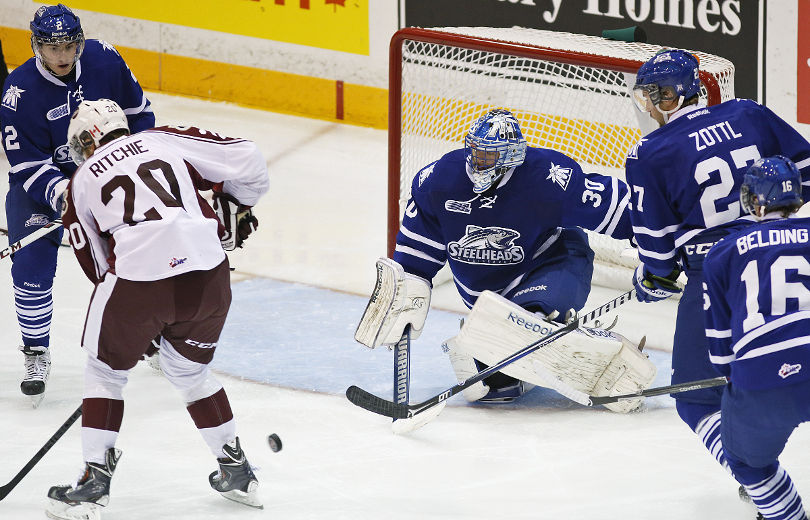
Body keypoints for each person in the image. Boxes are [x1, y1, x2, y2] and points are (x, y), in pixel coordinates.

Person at [45, 99, 268, 520]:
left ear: (89, 140)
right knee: (189, 371)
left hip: (140, 283)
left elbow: (96, 265)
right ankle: (237, 471)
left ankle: (94, 482)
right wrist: (239, 205)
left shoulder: (81, 180)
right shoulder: (161, 139)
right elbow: (247, 155)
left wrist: (139, 323)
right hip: (209, 273)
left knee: (105, 371)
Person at [355, 108, 656, 411]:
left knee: (526, 326)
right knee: (484, 384)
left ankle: (579, 343)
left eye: (487, 155)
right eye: (475, 151)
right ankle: (554, 348)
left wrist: (660, 249)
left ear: (511, 156)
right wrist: (406, 290)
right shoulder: (438, 181)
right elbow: (415, 256)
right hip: (489, 297)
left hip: (552, 265)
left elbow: (619, 208)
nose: (477, 161)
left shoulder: (549, 177)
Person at [625, 49, 810, 498]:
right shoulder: (748, 112)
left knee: (695, 396)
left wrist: (654, 277)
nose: (647, 106)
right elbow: (804, 172)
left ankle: (761, 483)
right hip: (789, 253)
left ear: (667, 96)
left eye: (651, 96)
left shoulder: (649, 153)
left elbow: (657, 245)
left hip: (715, 269)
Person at [0, 4, 155, 406]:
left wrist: (129, 169)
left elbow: (140, 116)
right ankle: (36, 351)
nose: (63, 55)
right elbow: (27, 165)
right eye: (53, 48)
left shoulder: (105, 59)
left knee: (135, 254)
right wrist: (68, 195)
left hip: (106, 177)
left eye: (69, 46)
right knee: (31, 267)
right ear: (36, 47)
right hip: (43, 187)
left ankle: (152, 332)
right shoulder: (18, 93)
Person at [703, 156, 809, 520]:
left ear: (755, 200)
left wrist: (731, 376)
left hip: (764, 378)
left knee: (747, 462)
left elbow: (721, 348)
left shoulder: (723, 252)